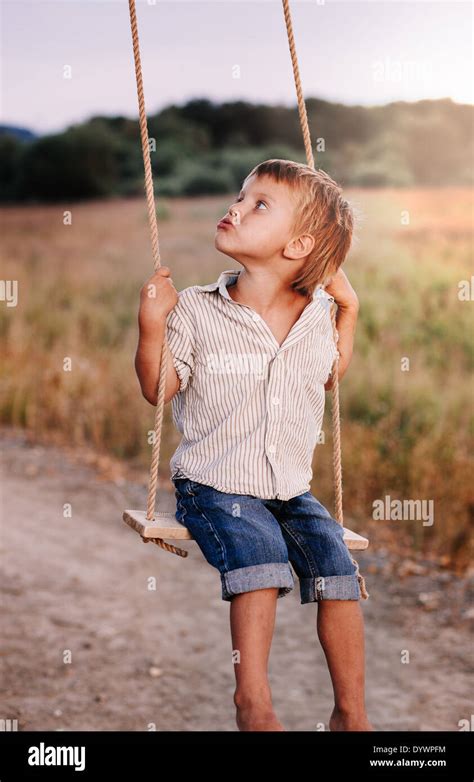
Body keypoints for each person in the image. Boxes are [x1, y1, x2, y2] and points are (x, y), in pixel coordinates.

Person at [135, 159, 373, 732]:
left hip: (290, 488)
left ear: (298, 246)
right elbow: (158, 389)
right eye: (241, 196)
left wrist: (350, 309)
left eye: (259, 203)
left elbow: (331, 372)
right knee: (259, 558)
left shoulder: (317, 314)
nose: (236, 207)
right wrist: (151, 327)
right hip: (215, 484)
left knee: (338, 572)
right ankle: (254, 702)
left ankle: (351, 712)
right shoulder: (195, 308)